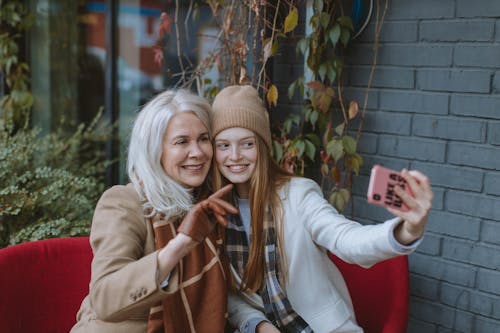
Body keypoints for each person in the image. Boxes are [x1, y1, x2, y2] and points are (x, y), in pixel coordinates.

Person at [210, 85, 433, 333]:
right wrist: (259, 325)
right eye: (223, 146)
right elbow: (231, 293)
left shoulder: (298, 194)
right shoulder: (215, 211)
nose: (235, 156)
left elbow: (345, 239)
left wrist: (407, 230)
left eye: (247, 143)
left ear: (262, 146)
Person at [71, 89, 238, 333]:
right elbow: (105, 299)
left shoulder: (213, 203)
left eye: (203, 139)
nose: (198, 152)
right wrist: (181, 243)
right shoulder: (124, 202)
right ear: (155, 150)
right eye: (182, 142)